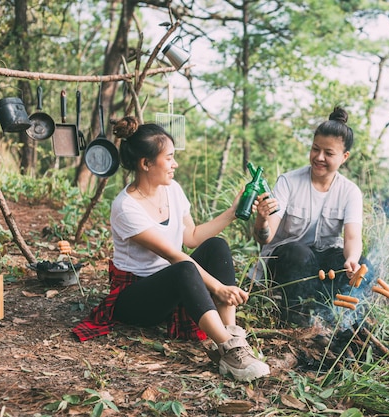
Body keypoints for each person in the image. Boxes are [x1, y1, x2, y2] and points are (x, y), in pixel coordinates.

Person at [72, 116, 270, 382]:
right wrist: (218, 288)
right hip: (136, 298)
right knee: (183, 266)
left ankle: (231, 332)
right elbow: (173, 255)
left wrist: (233, 213)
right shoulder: (126, 207)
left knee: (217, 246)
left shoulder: (173, 190)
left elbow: (192, 237)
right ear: (146, 163)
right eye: (169, 157)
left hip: (174, 284)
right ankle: (228, 348)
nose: (175, 164)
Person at [252, 106, 373, 328]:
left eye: (329, 153)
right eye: (315, 149)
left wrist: (351, 260)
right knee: (299, 253)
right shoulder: (288, 182)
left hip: (322, 263)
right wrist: (261, 219)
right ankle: (295, 322)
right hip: (287, 263)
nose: (319, 157)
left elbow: (352, 238)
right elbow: (265, 238)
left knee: (363, 265)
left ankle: (337, 322)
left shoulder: (350, 191)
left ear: (344, 157)